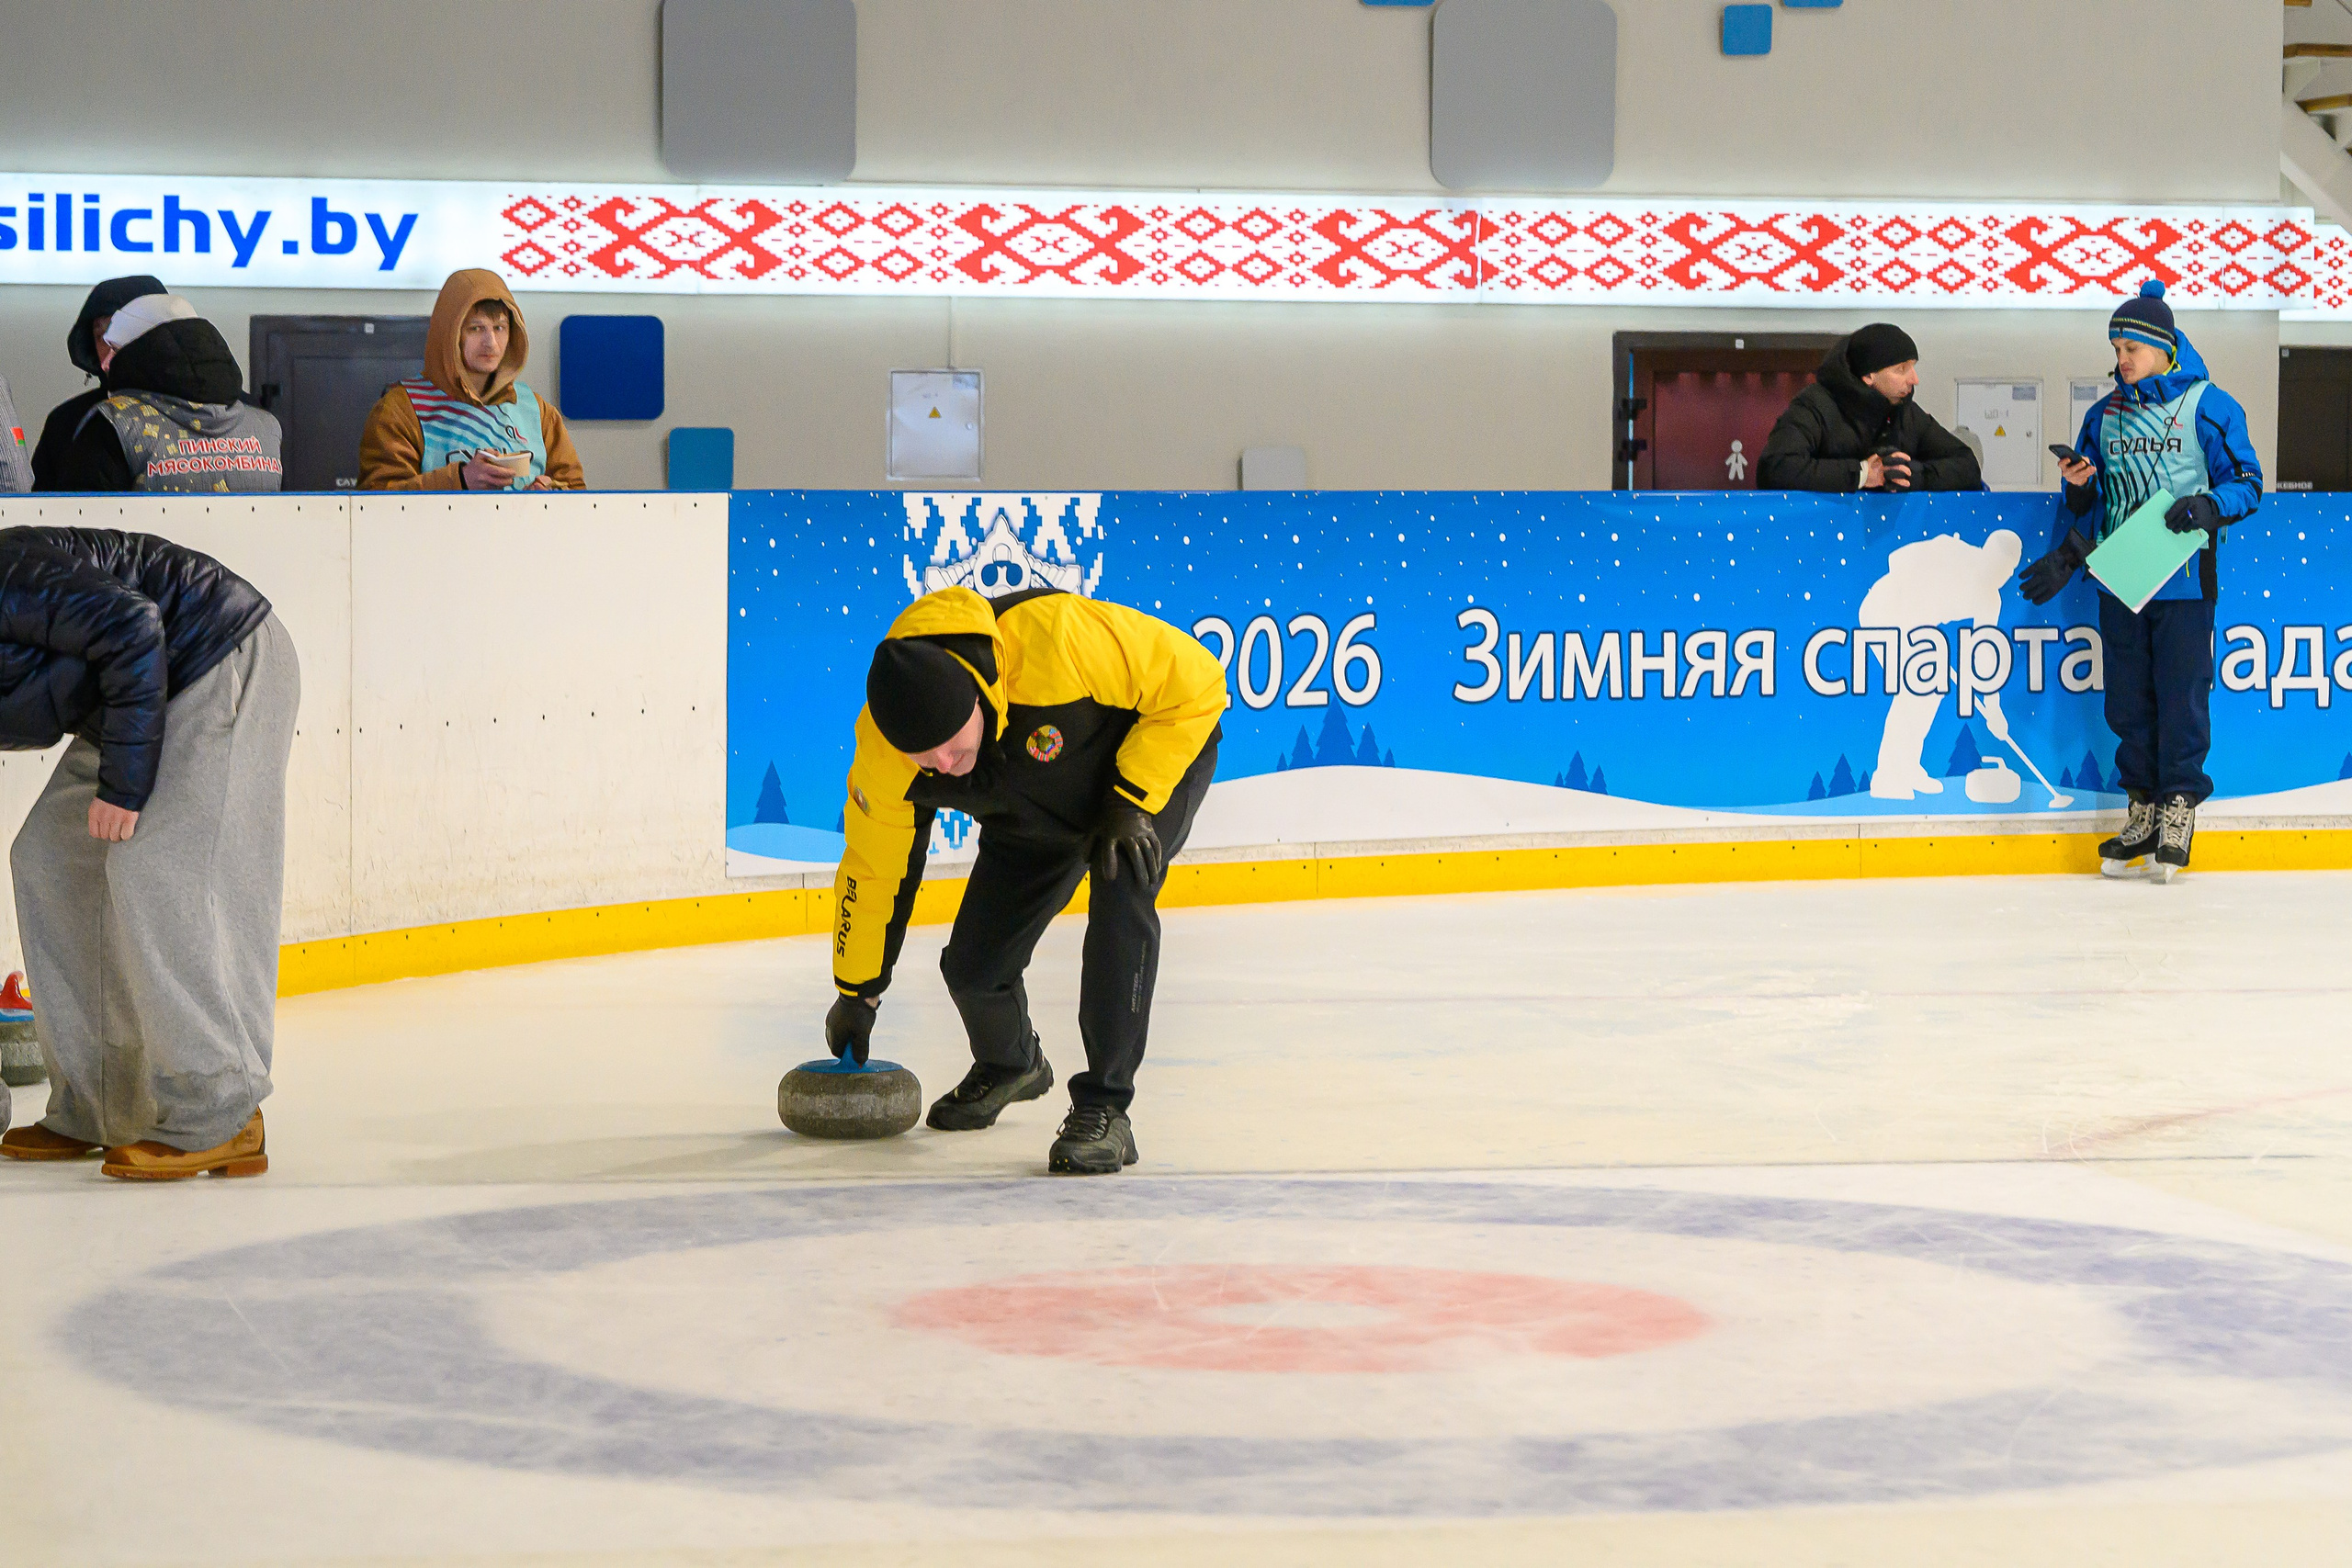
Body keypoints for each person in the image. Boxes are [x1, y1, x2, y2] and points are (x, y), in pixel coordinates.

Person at [827, 583, 1225, 1174]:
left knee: (1122, 892)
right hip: (1031, 810)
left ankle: (1106, 1110)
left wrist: (1132, 798)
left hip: (1141, 778)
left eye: (947, 742)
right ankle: (1010, 1063)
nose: (939, 764)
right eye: (922, 755)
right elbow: (874, 867)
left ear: (978, 698)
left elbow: (1197, 680)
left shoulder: (1056, 640)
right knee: (973, 965)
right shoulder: (885, 757)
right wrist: (857, 989)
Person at [0, 529, 298, 1179]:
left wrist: (125, 789)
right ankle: (101, 1104)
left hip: (217, 654)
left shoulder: (8, 577)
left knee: (153, 867)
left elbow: (133, 625)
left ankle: (221, 1109)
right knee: (47, 860)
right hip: (135, 695)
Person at [2018, 280, 2262, 878]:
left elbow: (2249, 483)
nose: (2121, 359)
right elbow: (2091, 500)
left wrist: (2209, 506)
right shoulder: (2103, 417)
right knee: (2128, 701)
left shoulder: (2210, 404)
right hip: (2120, 579)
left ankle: (2179, 805)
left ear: (2164, 347)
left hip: (2182, 579)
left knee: (2181, 696)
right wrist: (2075, 509)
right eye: (2116, 347)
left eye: (2131, 347)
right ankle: (2143, 808)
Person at [358, 269, 583, 491]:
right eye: (476, 328)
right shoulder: (402, 409)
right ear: (450, 334)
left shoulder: (536, 411)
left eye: (500, 328)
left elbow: (577, 492)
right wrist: (462, 480)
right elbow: (376, 502)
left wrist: (550, 494)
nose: (491, 342)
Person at [43, 294, 283, 493]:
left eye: (114, 349)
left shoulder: (113, 425)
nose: (104, 365)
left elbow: (82, 533)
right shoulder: (266, 426)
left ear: (144, 351)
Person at [1758, 323, 1984, 492]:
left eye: (1913, 367)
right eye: (1901, 369)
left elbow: (1967, 465)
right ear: (1868, 375)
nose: (1914, 379)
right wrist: (1863, 473)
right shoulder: (1815, 406)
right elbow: (1776, 468)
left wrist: (1912, 475)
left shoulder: (1906, 413)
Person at [28, 274, 165, 491]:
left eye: (125, 332)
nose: (112, 345)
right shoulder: (68, 422)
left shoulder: (217, 411)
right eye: (102, 334)